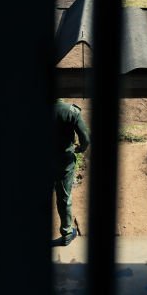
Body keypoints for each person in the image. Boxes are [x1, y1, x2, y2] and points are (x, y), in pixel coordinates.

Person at [53, 99, 90, 246]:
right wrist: (81, 148)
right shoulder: (70, 111)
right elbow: (85, 138)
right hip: (64, 161)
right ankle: (67, 232)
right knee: (64, 196)